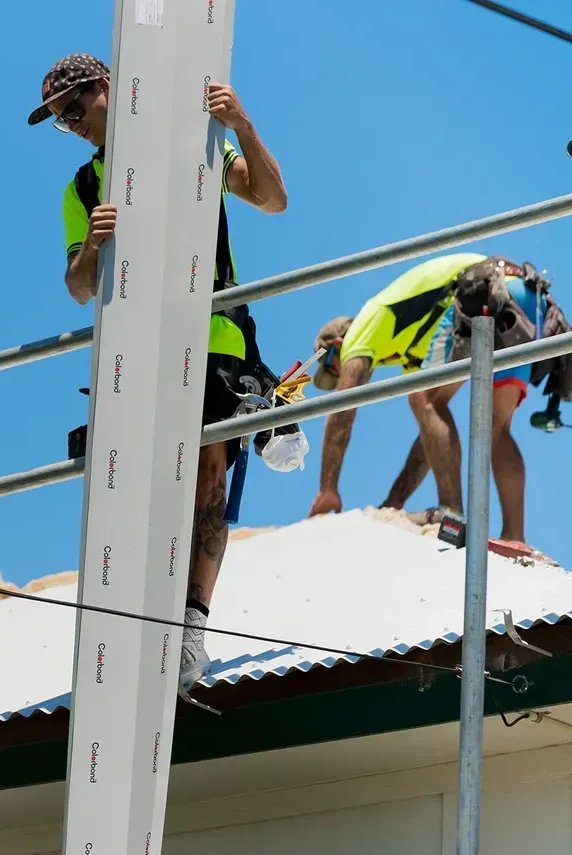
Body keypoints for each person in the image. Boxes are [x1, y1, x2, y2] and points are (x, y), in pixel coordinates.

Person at [28, 53, 289, 691]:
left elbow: (273, 199)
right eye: (62, 122)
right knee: (141, 489)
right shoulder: (83, 190)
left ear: (107, 88)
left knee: (205, 481)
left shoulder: (193, 142)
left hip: (216, 336)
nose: (72, 125)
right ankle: (141, 622)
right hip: (137, 351)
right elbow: (79, 289)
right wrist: (92, 243)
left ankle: (191, 631)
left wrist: (241, 124)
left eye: (74, 109)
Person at [308, 252, 558, 545]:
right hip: (525, 297)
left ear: (338, 345)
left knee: (424, 400)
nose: (339, 376)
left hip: (482, 289)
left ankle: (454, 518)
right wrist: (394, 501)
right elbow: (432, 437)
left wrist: (328, 489)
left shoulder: (364, 325)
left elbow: (342, 408)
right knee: (495, 427)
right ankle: (515, 536)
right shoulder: (411, 348)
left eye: (333, 370)